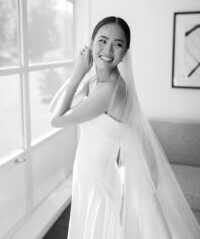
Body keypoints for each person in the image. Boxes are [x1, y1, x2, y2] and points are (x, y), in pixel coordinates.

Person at [49, 17, 200, 239]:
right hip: (87, 175)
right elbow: (55, 107)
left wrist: (78, 72)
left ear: (125, 52)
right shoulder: (94, 82)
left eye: (118, 44)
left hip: (99, 182)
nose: (108, 49)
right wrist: (80, 73)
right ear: (90, 44)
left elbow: (56, 120)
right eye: (102, 40)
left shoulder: (109, 90)